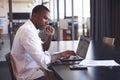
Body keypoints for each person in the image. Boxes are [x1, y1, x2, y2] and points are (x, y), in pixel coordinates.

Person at [11, 5, 75, 80]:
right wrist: (61, 54)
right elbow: (43, 61)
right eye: (45, 18)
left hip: (32, 69)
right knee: (64, 76)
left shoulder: (31, 29)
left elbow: (43, 48)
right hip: (29, 75)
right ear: (35, 16)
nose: (47, 22)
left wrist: (50, 36)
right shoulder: (27, 32)